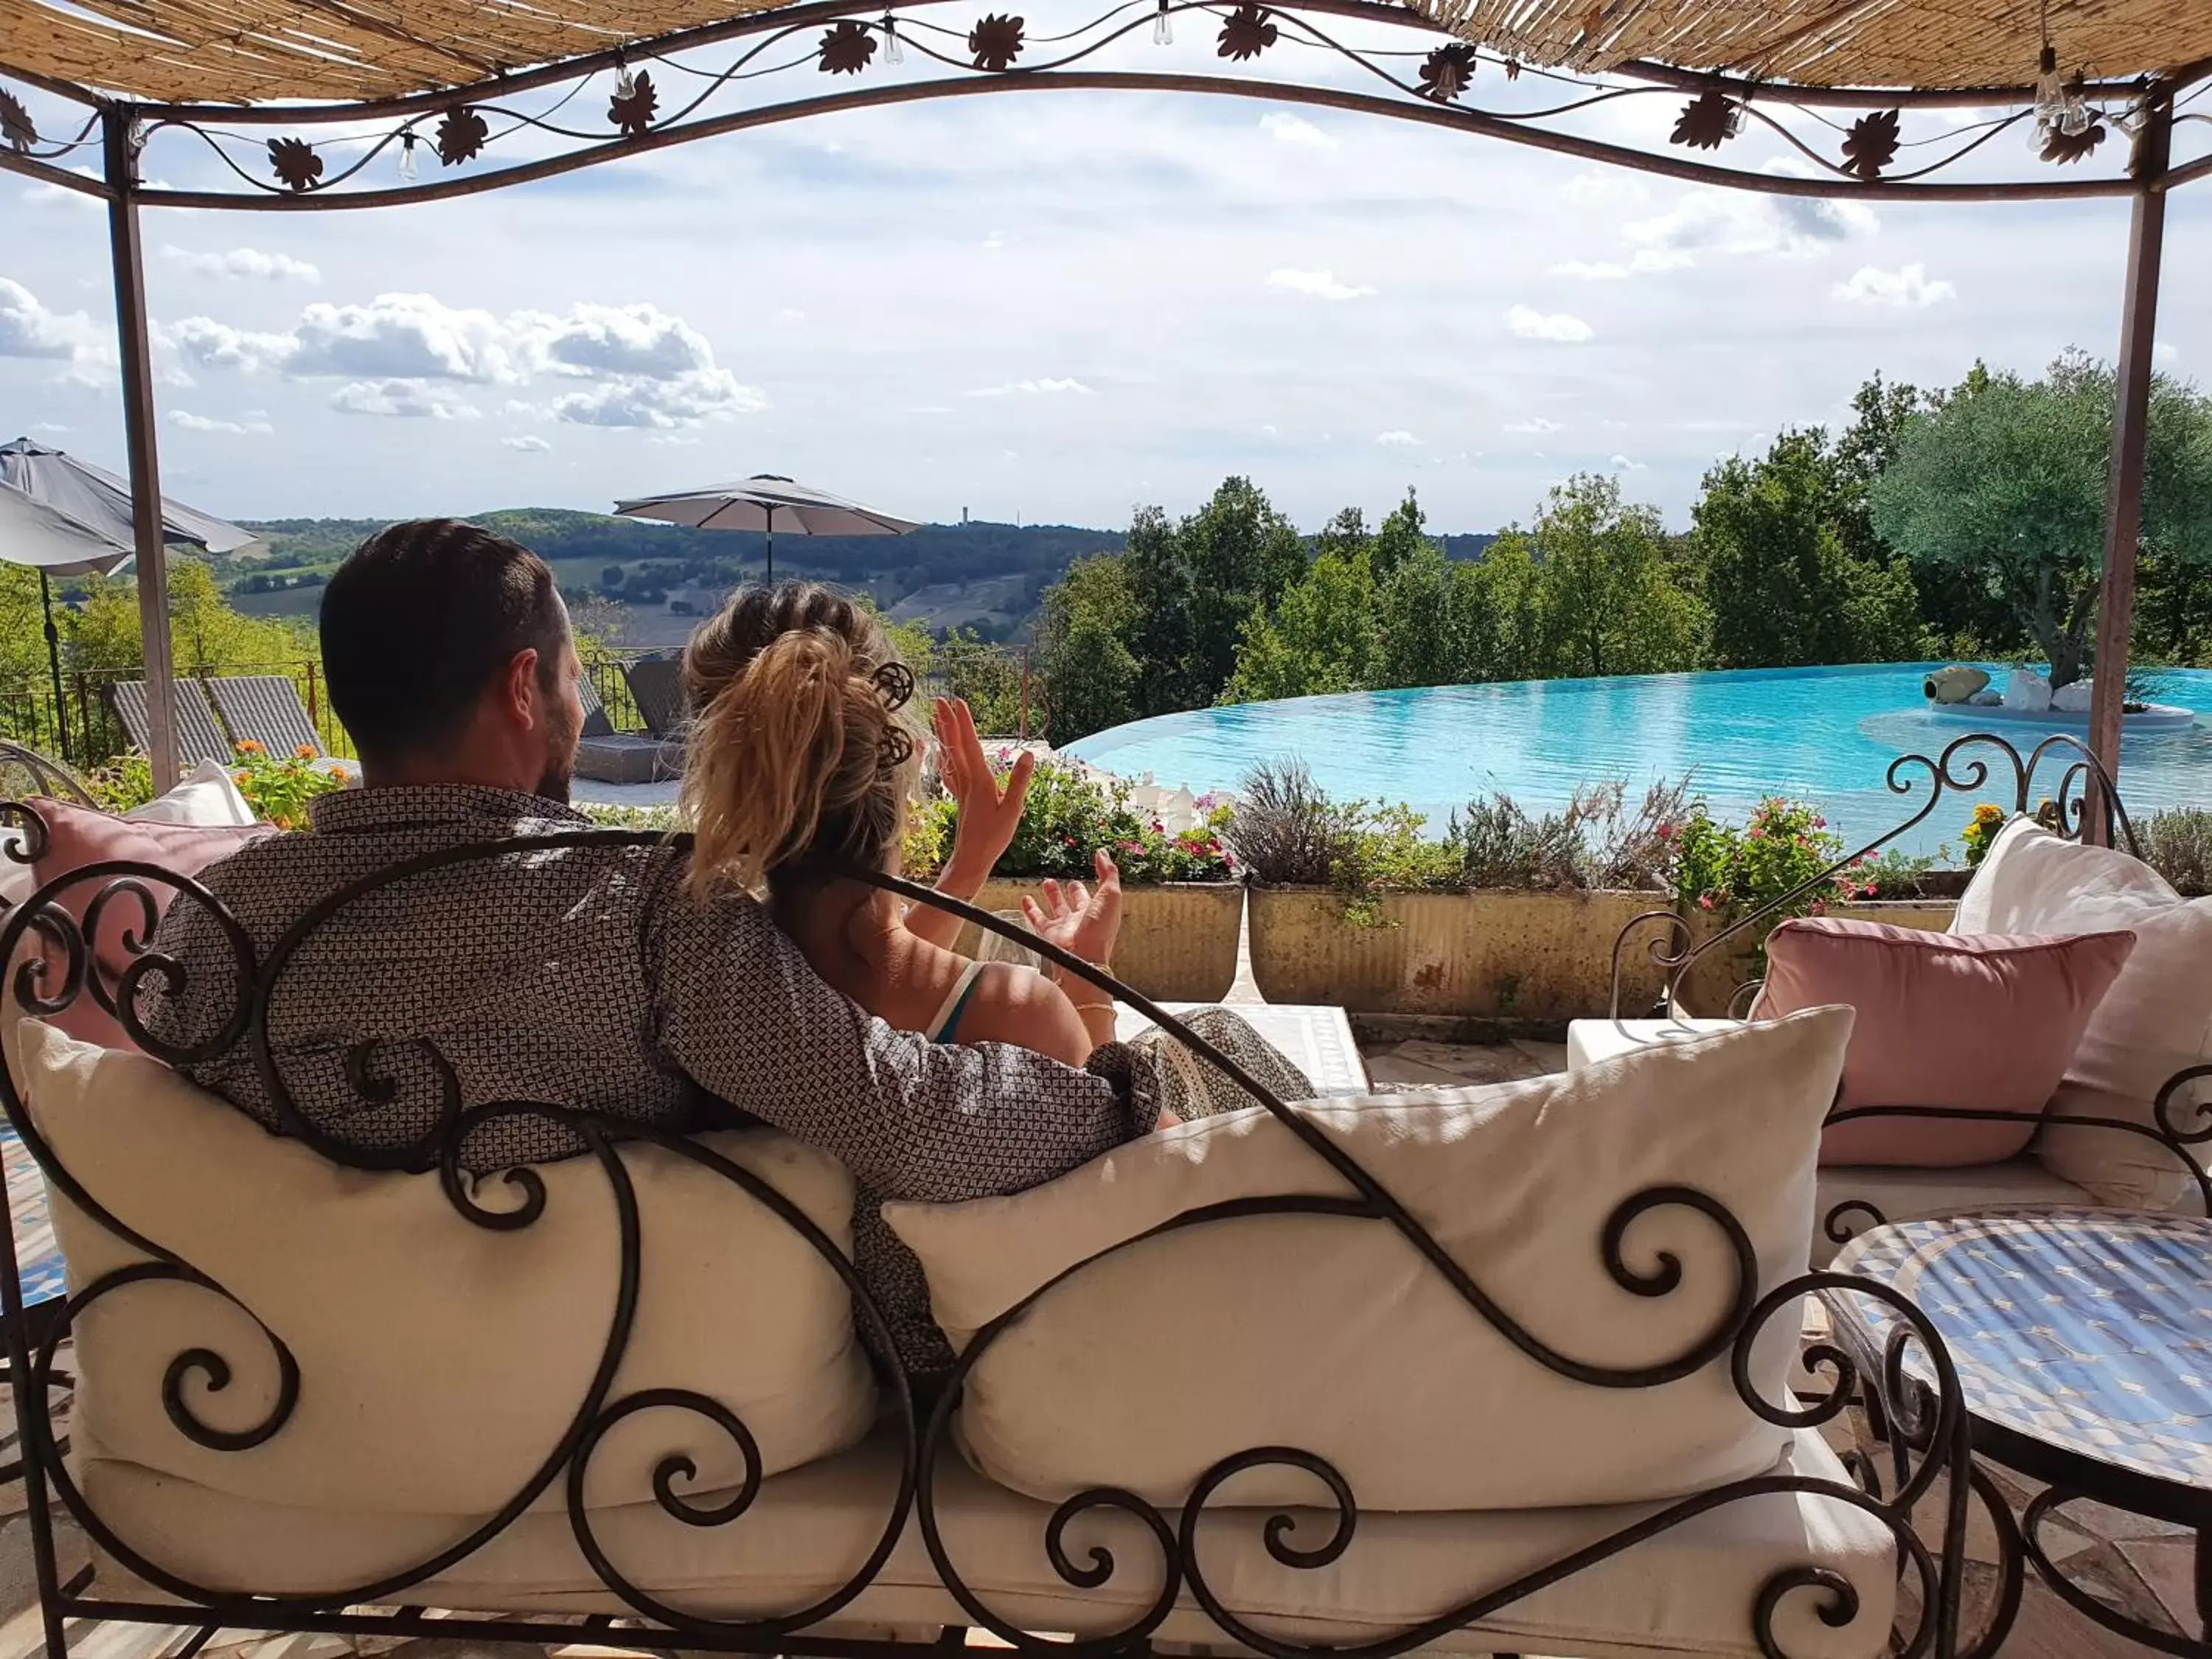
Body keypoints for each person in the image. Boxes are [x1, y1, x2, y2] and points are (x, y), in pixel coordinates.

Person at [138, 518, 1160, 1377]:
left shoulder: (216, 924)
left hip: (295, 1391)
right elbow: (906, 1119)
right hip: (619, 1422)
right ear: (525, 687)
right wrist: (1110, 1081)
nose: (580, 711)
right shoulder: (646, 907)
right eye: (578, 680)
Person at [679, 582, 1315, 1116]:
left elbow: (866, 974)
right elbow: (1141, 1161)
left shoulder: (712, 974)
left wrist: (968, 867)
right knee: (1221, 1039)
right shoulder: (1016, 1013)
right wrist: (1088, 985)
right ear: (904, 759)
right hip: (1104, 1247)